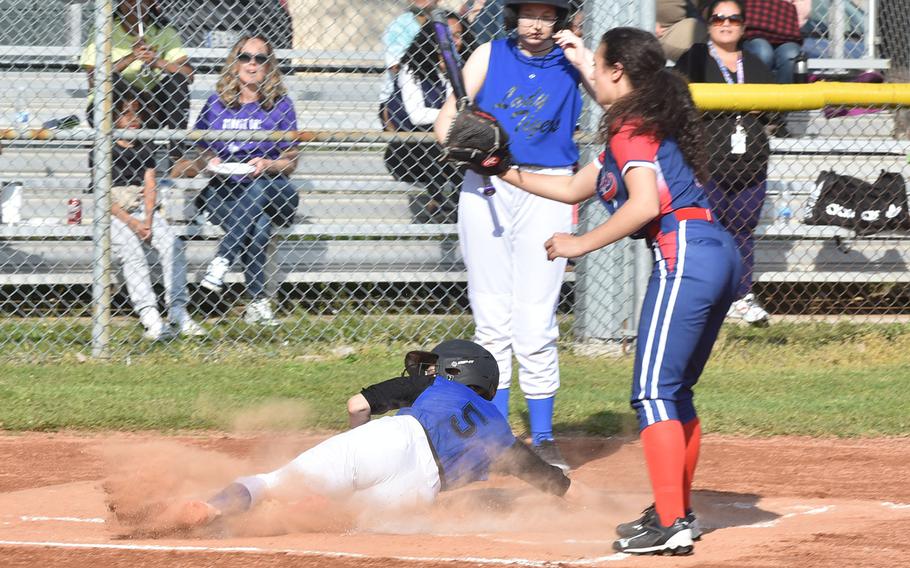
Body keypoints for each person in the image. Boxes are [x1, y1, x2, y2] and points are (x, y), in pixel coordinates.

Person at [443, 26, 741, 555]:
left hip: (686, 250)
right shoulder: (641, 127)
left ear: (617, 72)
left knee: (651, 393)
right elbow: (568, 186)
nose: (594, 77)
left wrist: (581, 244)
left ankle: (671, 524)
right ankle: (676, 512)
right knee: (674, 394)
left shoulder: (630, 126)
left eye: (599, 67)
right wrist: (500, 168)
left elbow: (645, 204)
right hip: (715, 252)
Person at [147, 340, 585, 532]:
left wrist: (355, 447)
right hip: (422, 487)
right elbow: (544, 477)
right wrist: (576, 495)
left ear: (455, 371)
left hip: (394, 438)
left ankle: (212, 506)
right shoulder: (498, 430)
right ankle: (318, 510)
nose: (428, 371)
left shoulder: (437, 387)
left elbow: (357, 404)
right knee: (349, 520)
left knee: (269, 482)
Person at [433, 0, 594, 472]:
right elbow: (446, 119)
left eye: (547, 14)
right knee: (491, 317)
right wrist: (457, 145)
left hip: (549, 188)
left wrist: (583, 59)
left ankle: (543, 438)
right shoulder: (489, 53)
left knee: (535, 320)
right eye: (528, 12)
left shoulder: (571, 59)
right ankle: (496, 437)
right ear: (514, 15)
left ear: (560, 19)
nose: (537, 23)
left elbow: (612, 101)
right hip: (487, 185)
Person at [170, 35, 299, 327]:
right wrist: (209, 161)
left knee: (259, 184)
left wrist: (268, 164)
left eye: (259, 59)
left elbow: (291, 160)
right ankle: (258, 302)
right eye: (245, 57)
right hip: (226, 189)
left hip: (274, 187)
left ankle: (222, 261)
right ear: (235, 61)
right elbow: (199, 149)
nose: (251, 64)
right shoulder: (216, 103)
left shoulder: (281, 105)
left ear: (269, 66)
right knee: (260, 226)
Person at [676, 0, 774, 324]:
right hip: (708, 165)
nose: (726, 23)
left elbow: (776, 110)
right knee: (707, 231)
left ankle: (742, 296)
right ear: (708, 23)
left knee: (743, 231)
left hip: (750, 167)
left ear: (744, 25)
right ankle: (707, 297)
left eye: (734, 18)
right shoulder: (694, 59)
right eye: (719, 18)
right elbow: (678, 104)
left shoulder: (756, 63)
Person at [101, 85, 204, 340]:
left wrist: (147, 219)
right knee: (132, 250)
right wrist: (134, 224)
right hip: (115, 213)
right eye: (126, 114)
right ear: (114, 117)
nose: (133, 121)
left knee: (173, 244)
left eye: (137, 114)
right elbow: (102, 197)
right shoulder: (103, 147)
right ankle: (150, 317)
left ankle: (178, 312)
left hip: (142, 210)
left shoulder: (144, 147)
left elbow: (150, 185)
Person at [382, 16, 472, 223]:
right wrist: (458, 115)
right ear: (429, 39)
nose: (451, 42)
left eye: (457, 36)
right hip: (409, 152)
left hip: (453, 147)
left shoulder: (466, 69)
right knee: (435, 140)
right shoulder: (411, 69)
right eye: (445, 37)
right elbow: (417, 115)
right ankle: (440, 200)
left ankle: (456, 205)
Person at [80, 0, 193, 131]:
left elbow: (188, 74)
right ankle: (110, 139)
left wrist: (157, 62)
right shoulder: (103, 30)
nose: (135, 5)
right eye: (129, 1)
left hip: (148, 105)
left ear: (151, 3)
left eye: (142, 1)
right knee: (111, 78)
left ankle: (176, 148)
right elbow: (93, 78)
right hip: (112, 106)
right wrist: (132, 57)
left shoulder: (164, 31)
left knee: (177, 81)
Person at [380, 0, 440, 107]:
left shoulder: (446, 20)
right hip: (400, 95)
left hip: (437, 89)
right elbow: (395, 66)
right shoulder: (400, 25)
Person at [739, 0, 803, 83]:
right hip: (753, 33)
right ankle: (758, 93)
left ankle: (784, 94)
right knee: (763, 52)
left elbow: (802, 11)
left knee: (791, 54)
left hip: (786, 34)